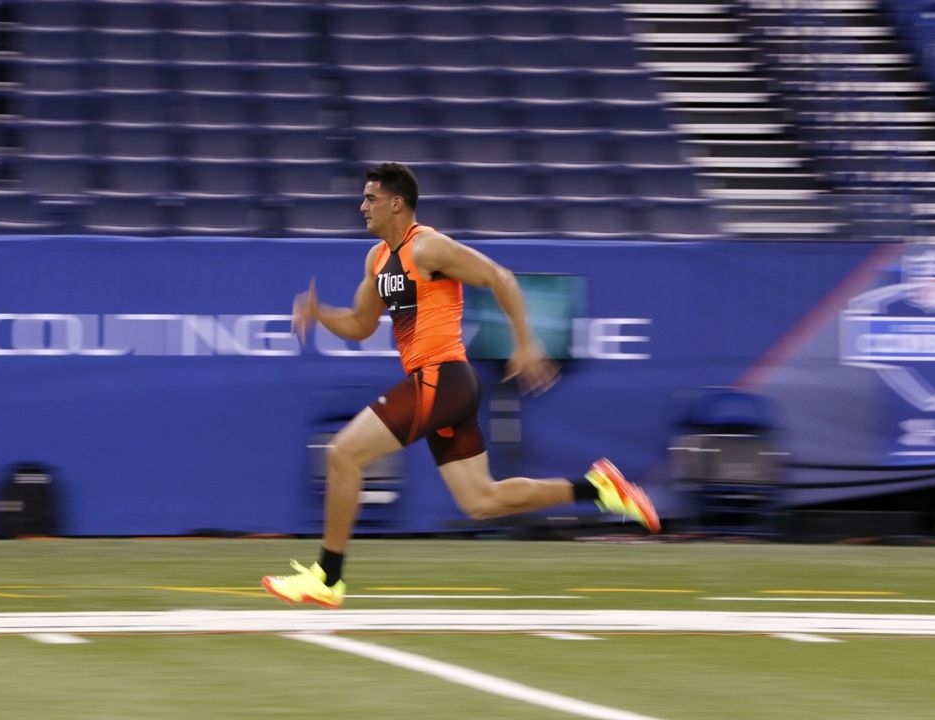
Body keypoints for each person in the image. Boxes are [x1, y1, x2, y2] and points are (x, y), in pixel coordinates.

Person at [261, 162, 658, 609]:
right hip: (442, 386)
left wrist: (525, 343)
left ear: (396, 203)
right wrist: (320, 314)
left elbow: (499, 277)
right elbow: (359, 323)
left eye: (370, 198)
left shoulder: (430, 248)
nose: (362, 206)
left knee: (343, 454)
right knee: (482, 501)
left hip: (443, 378)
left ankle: (327, 578)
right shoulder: (376, 260)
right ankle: (599, 488)